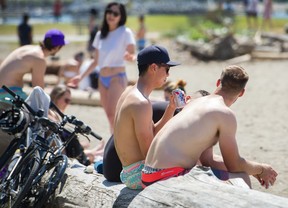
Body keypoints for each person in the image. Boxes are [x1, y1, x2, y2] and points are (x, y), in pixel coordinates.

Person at [142, 65, 278, 189]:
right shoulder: (225, 114)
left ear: (218, 83)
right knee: (241, 178)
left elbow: (208, 160)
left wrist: (250, 168)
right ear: (242, 92)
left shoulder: (194, 102)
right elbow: (234, 164)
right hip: (166, 177)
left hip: (147, 175)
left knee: (238, 173)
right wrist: (260, 169)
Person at [102, 89, 209, 182]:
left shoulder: (172, 108)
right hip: (118, 170)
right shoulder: (179, 115)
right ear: (188, 99)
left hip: (112, 164)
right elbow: (195, 161)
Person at [112, 45, 180, 189]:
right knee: (189, 167)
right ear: (154, 68)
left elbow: (151, 133)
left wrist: (171, 108)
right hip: (139, 175)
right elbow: (149, 155)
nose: (168, 75)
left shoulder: (130, 92)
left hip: (129, 172)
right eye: (167, 69)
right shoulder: (141, 103)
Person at [68, 2, 136, 133]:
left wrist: (130, 57)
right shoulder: (100, 34)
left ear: (121, 17)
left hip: (117, 77)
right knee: (109, 116)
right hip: (102, 79)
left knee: (113, 115)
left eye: (115, 13)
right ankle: (114, 143)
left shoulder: (125, 32)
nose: (111, 15)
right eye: (109, 12)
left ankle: (118, 144)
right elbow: (96, 61)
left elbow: (132, 54)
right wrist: (80, 77)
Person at [0, 29, 68, 102]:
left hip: (4, 90)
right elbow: (39, 90)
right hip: (7, 93)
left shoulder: (28, 48)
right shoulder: (39, 59)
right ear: (57, 47)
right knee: (40, 109)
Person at [49, 85, 104, 165]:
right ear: (56, 97)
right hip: (64, 153)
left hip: (67, 150)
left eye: (69, 101)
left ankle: (97, 152)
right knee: (91, 155)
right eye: (66, 100)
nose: (67, 104)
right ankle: (97, 152)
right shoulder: (51, 114)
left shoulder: (56, 115)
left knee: (91, 153)